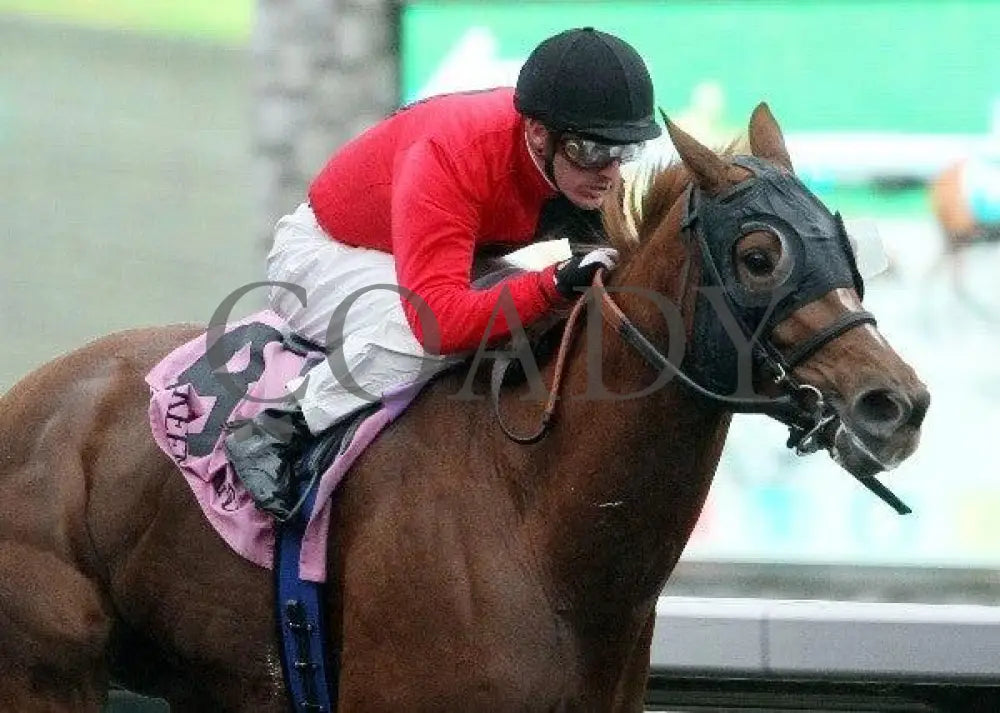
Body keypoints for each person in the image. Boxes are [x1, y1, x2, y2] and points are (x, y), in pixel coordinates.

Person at [225, 27, 662, 519]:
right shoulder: (454, 153)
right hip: (323, 255)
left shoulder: (576, 166)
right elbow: (441, 322)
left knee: (549, 317)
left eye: (624, 151)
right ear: (540, 134)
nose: (609, 172)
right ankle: (278, 427)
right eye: (591, 151)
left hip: (421, 255)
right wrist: (552, 282)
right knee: (430, 335)